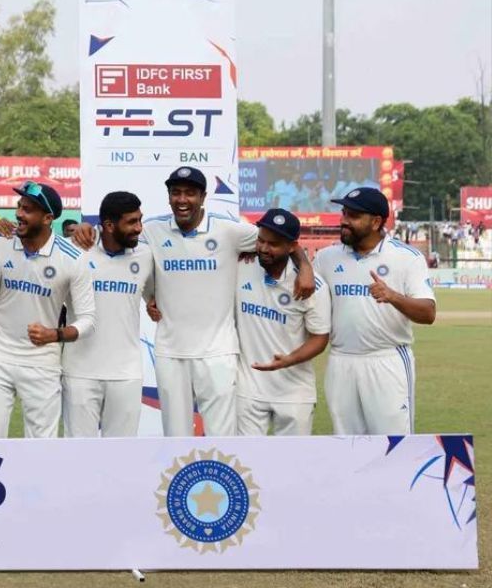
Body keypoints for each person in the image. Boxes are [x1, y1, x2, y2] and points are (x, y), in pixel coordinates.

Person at [137, 166, 314, 437]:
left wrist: (304, 267)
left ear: (203, 197)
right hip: (170, 351)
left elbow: (281, 240)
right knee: (175, 436)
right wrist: (149, 296)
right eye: (176, 193)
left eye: (190, 193)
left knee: (222, 436)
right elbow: (119, 244)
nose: (182, 199)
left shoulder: (229, 231)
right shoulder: (152, 230)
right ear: (169, 196)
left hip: (218, 352)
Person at [314, 187, 436, 435]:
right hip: (341, 361)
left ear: (376, 222)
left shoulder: (406, 257)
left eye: (354, 216)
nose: (344, 221)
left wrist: (392, 296)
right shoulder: (326, 258)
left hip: (386, 361)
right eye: (344, 213)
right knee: (347, 444)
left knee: (393, 445)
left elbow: (428, 313)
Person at [0, 181, 96, 438]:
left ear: (47, 218)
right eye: (19, 207)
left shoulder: (73, 258)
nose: (19, 214)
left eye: (28, 209)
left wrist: (54, 334)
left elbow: (88, 319)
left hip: (41, 361)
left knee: (42, 445)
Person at [62, 191, 153, 438]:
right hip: (80, 372)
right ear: (109, 226)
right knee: (79, 457)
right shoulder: (76, 250)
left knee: (120, 458)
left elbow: (155, 298)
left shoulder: (146, 256)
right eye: (132, 222)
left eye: (140, 220)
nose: (139, 228)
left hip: (126, 374)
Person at [235, 208, 331, 436]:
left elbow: (320, 338)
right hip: (248, 390)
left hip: (294, 393)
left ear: (291, 247)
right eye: (261, 241)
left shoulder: (313, 286)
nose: (264, 249)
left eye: (274, 244)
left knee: (291, 466)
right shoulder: (242, 265)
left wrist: (288, 360)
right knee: (246, 462)